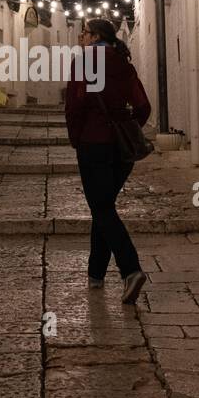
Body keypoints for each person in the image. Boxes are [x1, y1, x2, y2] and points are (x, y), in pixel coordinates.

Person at [64, 17, 152, 304]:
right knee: (104, 206)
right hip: (121, 149)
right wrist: (126, 128)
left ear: (95, 36)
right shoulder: (124, 64)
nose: (82, 37)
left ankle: (131, 269)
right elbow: (143, 106)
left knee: (101, 206)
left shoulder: (85, 61)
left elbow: (75, 105)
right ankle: (96, 273)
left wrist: (77, 137)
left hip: (93, 143)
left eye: (85, 33)